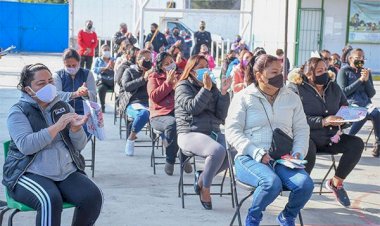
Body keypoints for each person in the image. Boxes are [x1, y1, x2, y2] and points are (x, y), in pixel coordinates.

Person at [5, 63, 102, 226]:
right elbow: (26, 146)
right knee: (49, 200)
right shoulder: (19, 111)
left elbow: (78, 147)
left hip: (64, 171)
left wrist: (76, 130)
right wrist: (56, 127)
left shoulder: (63, 107)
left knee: (92, 196)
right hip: (28, 172)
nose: (49, 86)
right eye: (41, 83)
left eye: (50, 81)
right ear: (28, 89)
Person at [226, 54, 313, 226]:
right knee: (270, 183)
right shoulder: (244, 97)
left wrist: (298, 151)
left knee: (305, 184)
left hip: (283, 158)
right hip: (249, 157)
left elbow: (302, 129)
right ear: (259, 75)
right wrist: (254, 151)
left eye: (281, 71)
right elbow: (232, 130)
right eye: (274, 72)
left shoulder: (292, 97)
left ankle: (287, 216)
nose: (280, 76)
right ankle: (254, 216)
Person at [288, 57, 364, 207]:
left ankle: (336, 183)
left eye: (326, 69)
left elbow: (345, 108)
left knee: (356, 144)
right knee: (307, 147)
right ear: (309, 74)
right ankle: (301, 189)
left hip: (331, 137)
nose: (325, 73)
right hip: (308, 137)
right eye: (320, 71)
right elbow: (293, 118)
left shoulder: (333, 87)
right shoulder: (295, 88)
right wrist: (323, 121)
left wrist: (345, 119)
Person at [175, 55, 232, 210]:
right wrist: (205, 89)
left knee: (234, 150)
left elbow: (221, 115)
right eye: (201, 67)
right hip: (189, 132)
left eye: (207, 66)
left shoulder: (212, 86)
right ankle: (206, 188)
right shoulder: (183, 86)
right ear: (192, 70)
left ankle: (202, 179)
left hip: (211, 132)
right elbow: (193, 108)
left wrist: (224, 93)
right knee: (218, 151)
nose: (205, 69)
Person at [147, 52, 192, 175]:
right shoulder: (154, 77)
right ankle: (170, 160)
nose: (170, 65)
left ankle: (183, 155)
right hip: (159, 115)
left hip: (178, 112)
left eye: (171, 62)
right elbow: (154, 97)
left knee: (188, 124)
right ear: (161, 66)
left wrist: (177, 86)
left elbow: (187, 94)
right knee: (173, 124)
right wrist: (167, 83)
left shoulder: (181, 75)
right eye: (166, 64)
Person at [337, 48, 379, 157]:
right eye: (357, 58)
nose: (360, 60)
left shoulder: (365, 72)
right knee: (363, 114)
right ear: (350, 58)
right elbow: (343, 92)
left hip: (366, 103)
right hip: (350, 103)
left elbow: (371, 94)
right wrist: (359, 80)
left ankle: (378, 144)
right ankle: (349, 138)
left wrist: (366, 80)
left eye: (362, 58)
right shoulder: (344, 71)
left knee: (376, 113)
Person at [54, 48, 97, 128]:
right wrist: (75, 94)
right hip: (63, 113)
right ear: (64, 63)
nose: (71, 68)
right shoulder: (58, 75)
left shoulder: (87, 74)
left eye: (74, 65)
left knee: (82, 129)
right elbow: (56, 95)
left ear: (79, 62)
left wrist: (86, 93)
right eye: (68, 66)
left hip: (84, 113)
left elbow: (94, 94)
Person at [122, 50, 153, 156]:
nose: (148, 61)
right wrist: (143, 79)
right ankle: (131, 138)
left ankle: (169, 150)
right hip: (134, 103)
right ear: (138, 60)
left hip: (151, 103)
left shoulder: (153, 72)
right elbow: (126, 87)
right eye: (145, 59)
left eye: (150, 59)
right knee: (144, 113)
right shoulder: (130, 71)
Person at [93, 44, 115, 113]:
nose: (107, 51)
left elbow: (119, 69)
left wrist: (114, 67)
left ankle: (119, 107)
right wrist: (104, 68)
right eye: (105, 50)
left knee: (121, 88)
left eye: (108, 50)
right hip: (103, 81)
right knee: (101, 88)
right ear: (101, 51)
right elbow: (94, 70)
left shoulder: (113, 59)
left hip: (113, 80)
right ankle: (102, 105)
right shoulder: (98, 60)